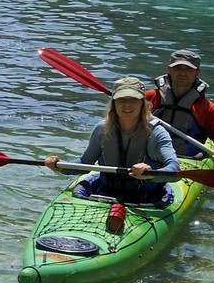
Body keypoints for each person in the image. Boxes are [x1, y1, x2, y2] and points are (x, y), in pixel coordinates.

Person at [46, 76, 179, 204]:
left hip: (148, 197)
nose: (127, 105)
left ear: (143, 103)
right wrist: (59, 166)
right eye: (121, 100)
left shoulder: (156, 133)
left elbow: (174, 170)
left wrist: (151, 173)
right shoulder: (102, 129)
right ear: (114, 103)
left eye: (133, 100)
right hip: (106, 193)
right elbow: (84, 163)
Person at [147, 48, 214, 164]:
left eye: (188, 69)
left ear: (197, 72)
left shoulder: (206, 108)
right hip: (152, 157)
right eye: (177, 68)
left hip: (187, 160)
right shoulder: (149, 98)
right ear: (169, 69)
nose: (182, 73)